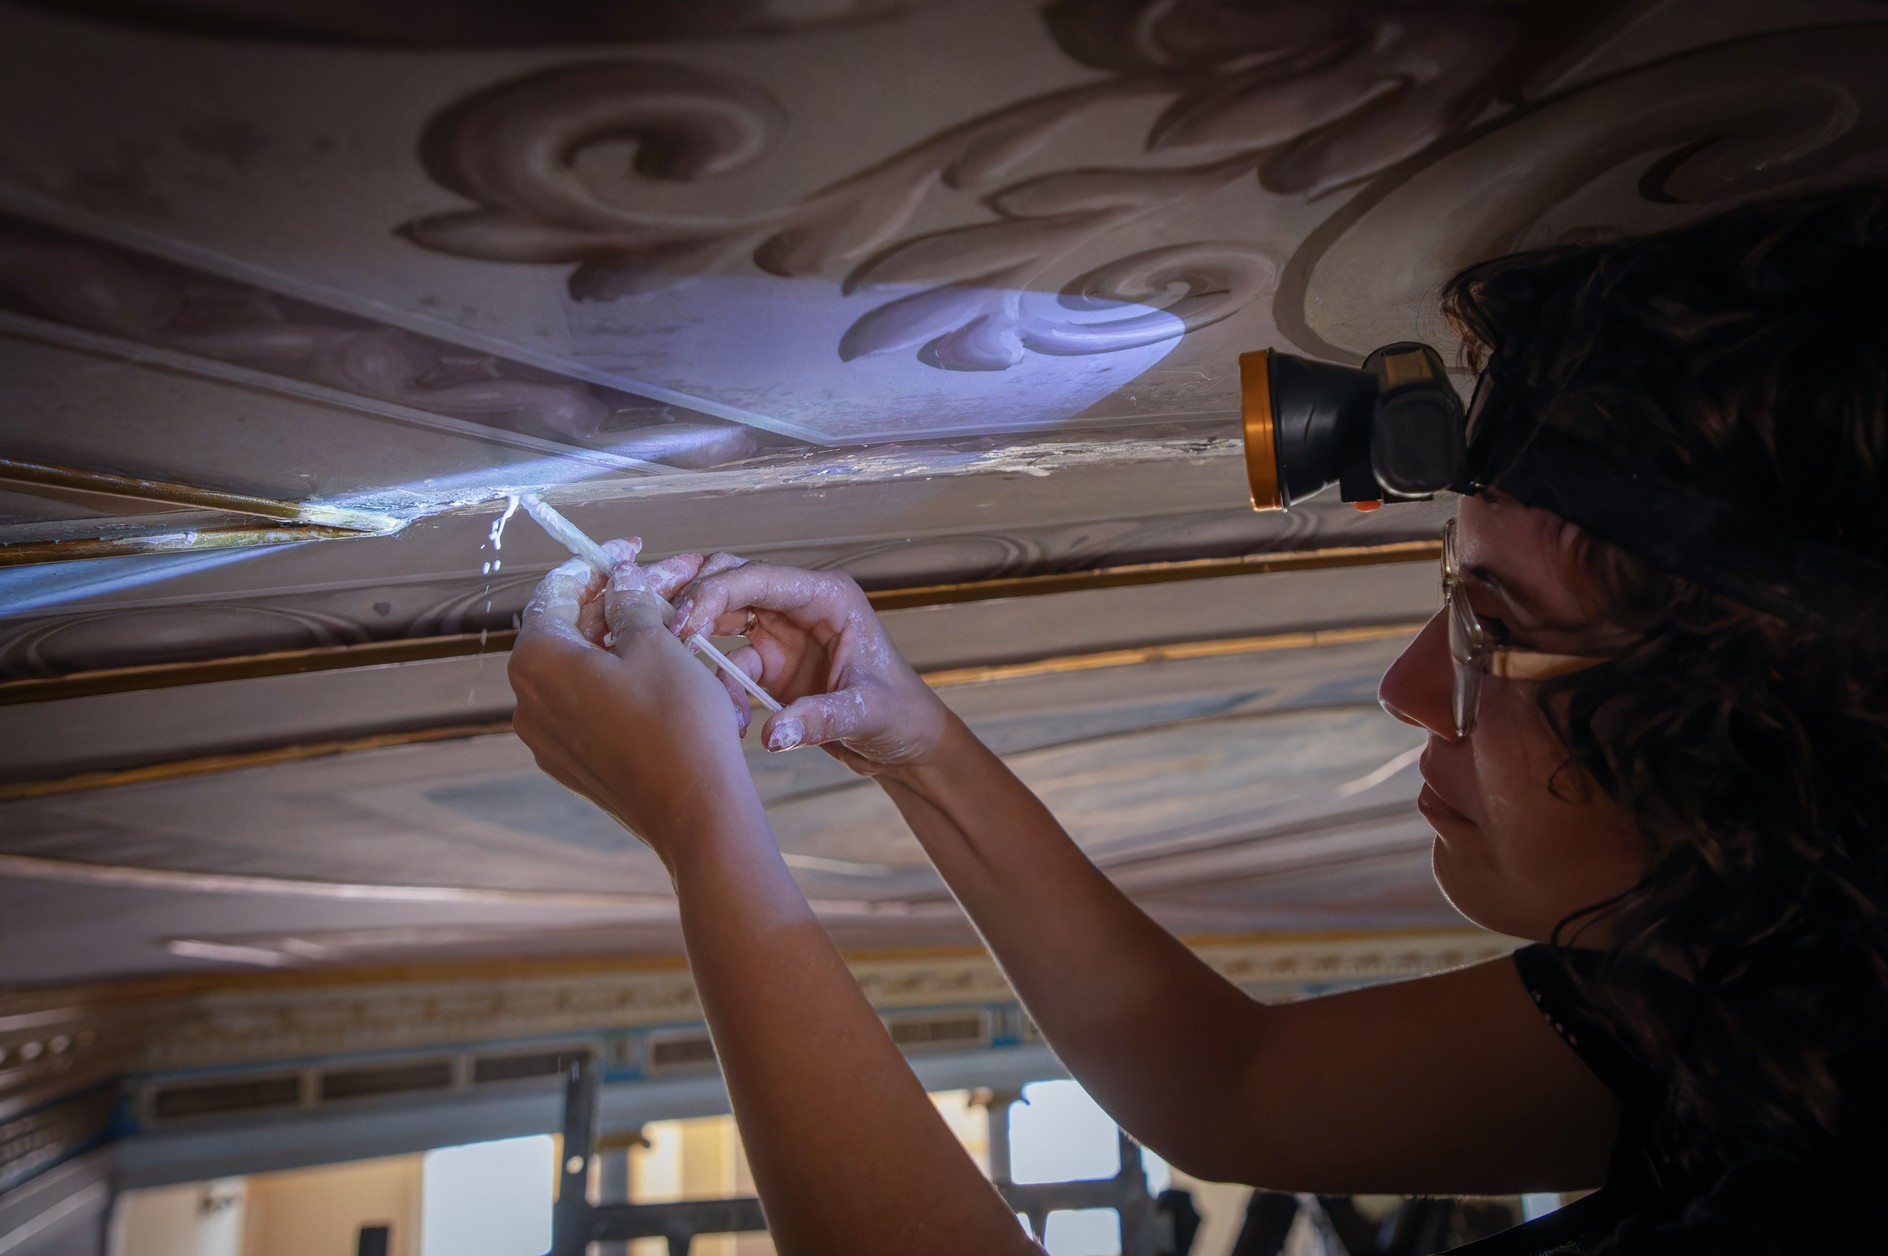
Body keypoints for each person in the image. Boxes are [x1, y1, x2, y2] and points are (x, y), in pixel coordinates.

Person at [507, 186, 1887, 1255]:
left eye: (1498, 629)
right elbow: (1237, 1088)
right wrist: (909, 736)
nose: (1407, 687)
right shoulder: (1777, 970)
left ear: (1771, 734)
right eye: (1449, 594)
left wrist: (703, 829)